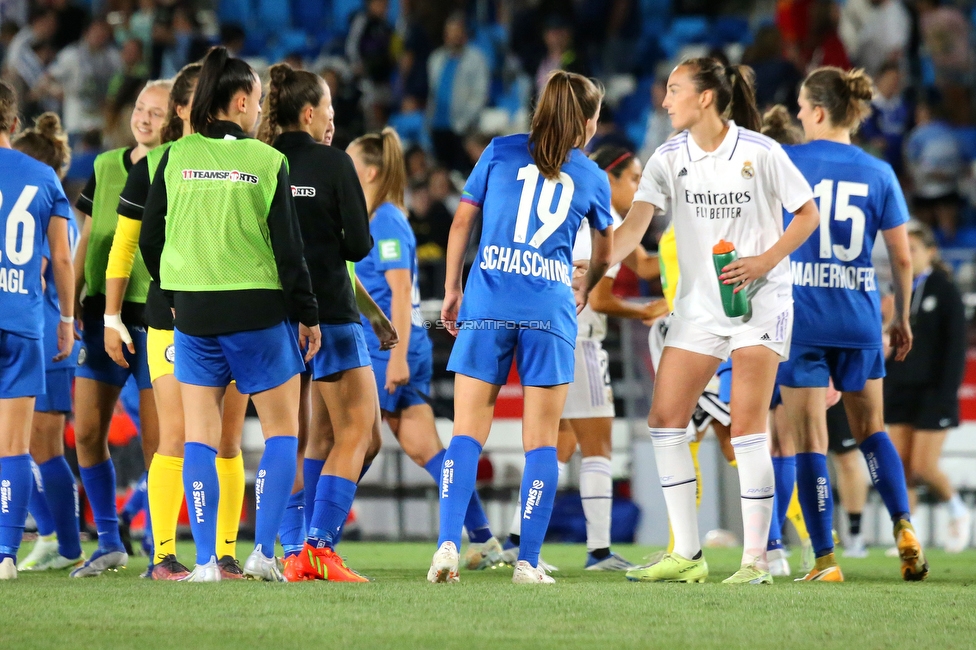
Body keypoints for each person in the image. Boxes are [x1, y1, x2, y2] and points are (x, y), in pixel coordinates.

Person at [609, 58, 820, 585]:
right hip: (700, 308)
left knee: (748, 427)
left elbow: (808, 213)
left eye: (674, 90)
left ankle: (756, 561)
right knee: (664, 419)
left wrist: (765, 263)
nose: (664, 101)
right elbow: (635, 225)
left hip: (759, 302)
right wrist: (594, 263)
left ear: (705, 97)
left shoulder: (760, 152)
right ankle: (687, 553)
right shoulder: (667, 157)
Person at [139, 46, 321, 582]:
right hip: (260, 312)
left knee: (199, 435)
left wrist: (175, 289)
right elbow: (290, 252)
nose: (260, 111)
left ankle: (202, 564)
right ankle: (262, 552)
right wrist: (307, 315)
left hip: (192, 312)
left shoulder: (176, 157)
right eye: (257, 102)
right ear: (240, 101)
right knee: (281, 432)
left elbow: (151, 237)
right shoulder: (268, 162)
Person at [429, 70, 613, 586]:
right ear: (586, 121)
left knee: (466, 433)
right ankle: (527, 562)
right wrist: (587, 283)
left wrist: (452, 288)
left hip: (487, 301)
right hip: (549, 310)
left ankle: (447, 544)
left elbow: (462, 222)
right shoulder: (593, 176)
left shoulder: (500, 150)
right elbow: (606, 248)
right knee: (541, 444)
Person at [773, 66, 926, 582]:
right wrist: (900, 318)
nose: (796, 114)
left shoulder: (789, 161)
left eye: (800, 105)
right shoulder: (879, 172)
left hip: (804, 318)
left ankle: (824, 559)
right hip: (860, 318)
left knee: (810, 441)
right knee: (872, 431)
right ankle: (904, 524)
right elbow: (903, 260)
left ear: (817, 111)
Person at [104, 62, 252, 580]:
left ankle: (225, 554)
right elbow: (126, 245)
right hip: (170, 318)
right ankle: (164, 555)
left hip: (231, 314)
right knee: (176, 434)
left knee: (229, 439)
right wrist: (110, 315)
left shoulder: (243, 162)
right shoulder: (157, 166)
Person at [259, 62, 396, 582]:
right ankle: (317, 543)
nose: (334, 120)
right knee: (362, 431)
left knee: (312, 439)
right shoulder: (335, 165)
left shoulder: (264, 162)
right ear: (311, 112)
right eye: (331, 110)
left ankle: (297, 549)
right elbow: (359, 246)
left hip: (278, 317)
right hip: (332, 315)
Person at [505, 145, 667, 572]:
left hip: (546, 332)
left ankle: (514, 537)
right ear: (610, 180)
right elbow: (598, 297)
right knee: (598, 445)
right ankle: (598, 551)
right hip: (581, 339)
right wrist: (644, 309)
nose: (637, 187)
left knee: (558, 442)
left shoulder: (585, 213)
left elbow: (648, 265)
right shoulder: (606, 220)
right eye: (632, 178)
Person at [350, 126, 504, 572]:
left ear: (372, 171)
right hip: (392, 344)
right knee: (426, 450)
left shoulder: (386, 220)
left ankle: (309, 536)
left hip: (388, 347)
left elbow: (399, 293)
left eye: (352, 161)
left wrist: (396, 356)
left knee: (341, 442)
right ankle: (485, 539)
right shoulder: (376, 216)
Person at [69, 80, 169, 578]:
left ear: (173, 120)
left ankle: (160, 549)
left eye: (156, 112)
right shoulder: (106, 167)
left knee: (158, 443)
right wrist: (69, 311)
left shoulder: (175, 167)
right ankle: (109, 541)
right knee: (87, 431)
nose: (144, 119)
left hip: (155, 316)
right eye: (139, 109)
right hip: (97, 315)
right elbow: (87, 238)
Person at [0, 81, 76, 580]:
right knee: (14, 446)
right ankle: (5, 555)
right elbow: (63, 258)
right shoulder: (44, 177)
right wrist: (67, 321)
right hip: (24, 324)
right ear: (12, 123)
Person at [886, 220, 970, 553]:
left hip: (934, 391)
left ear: (931, 253)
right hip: (901, 387)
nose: (907, 255)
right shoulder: (900, 290)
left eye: (914, 249)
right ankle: (909, 531)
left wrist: (946, 393)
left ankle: (957, 509)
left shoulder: (945, 290)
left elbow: (955, 347)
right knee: (901, 466)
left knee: (924, 466)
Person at [426, 12, 489, 172]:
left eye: (457, 32)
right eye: (450, 33)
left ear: (464, 34)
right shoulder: (436, 59)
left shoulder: (476, 59)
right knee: (441, 170)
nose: (453, 37)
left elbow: (480, 95)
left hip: (462, 128)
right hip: (437, 125)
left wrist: (465, 122)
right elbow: (432, 93)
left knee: (461, 172)